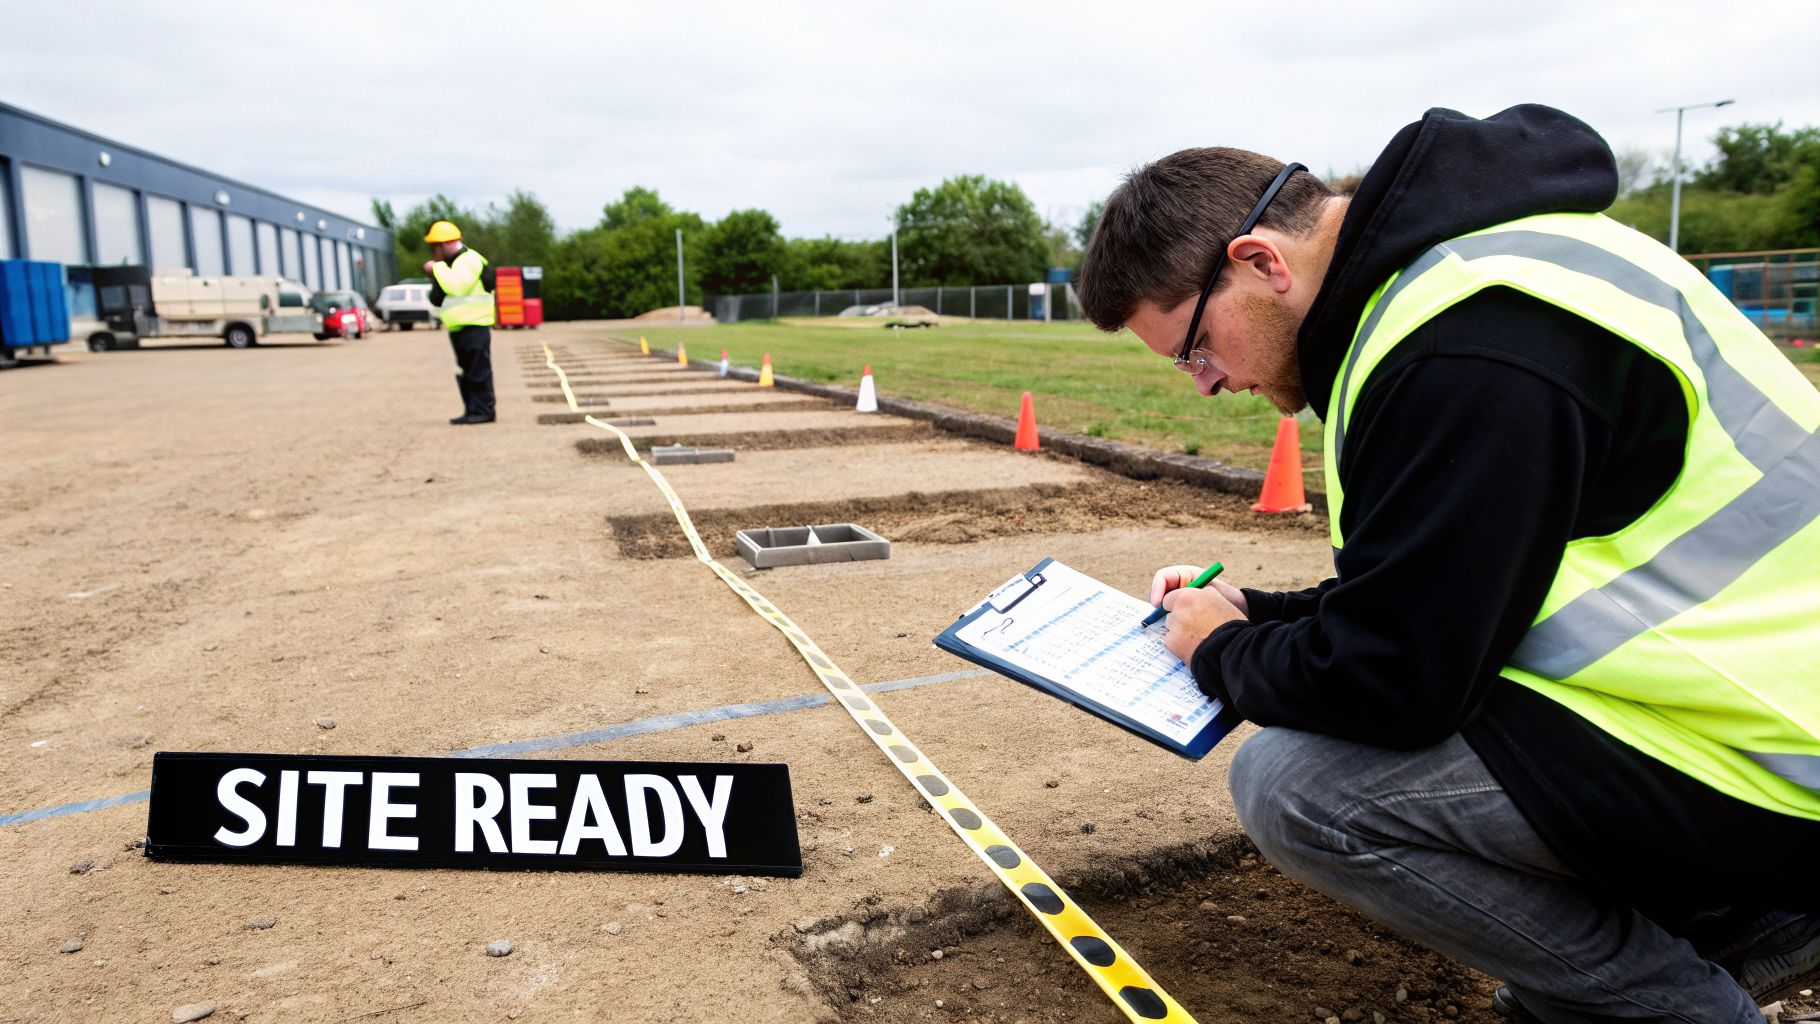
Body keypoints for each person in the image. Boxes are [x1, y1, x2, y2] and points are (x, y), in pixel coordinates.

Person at [1077, 105, 1820, 1023]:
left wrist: (1222, 653)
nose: (1208, 381)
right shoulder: (1486, 270)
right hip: (1750, 700)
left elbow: (1401, 685)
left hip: (1770, 757)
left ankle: (1678, 1003)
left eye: (1194, 349)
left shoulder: (1462, 344)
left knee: (1299, 791)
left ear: (1260, 262)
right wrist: (1258, 612)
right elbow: (1460, 586)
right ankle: (1745, 923)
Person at [423, 220, 497, 425]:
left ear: (444, 244)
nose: (433, 252)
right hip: (460, 327)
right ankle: (473, 410)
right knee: (468, 371)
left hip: (475, 324)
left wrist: (436, 268)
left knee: (478, 371)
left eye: (434, 247)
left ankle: (484, 411)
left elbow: (457, 287)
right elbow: (437, 297)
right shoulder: (452, 265)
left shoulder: (469, 260)